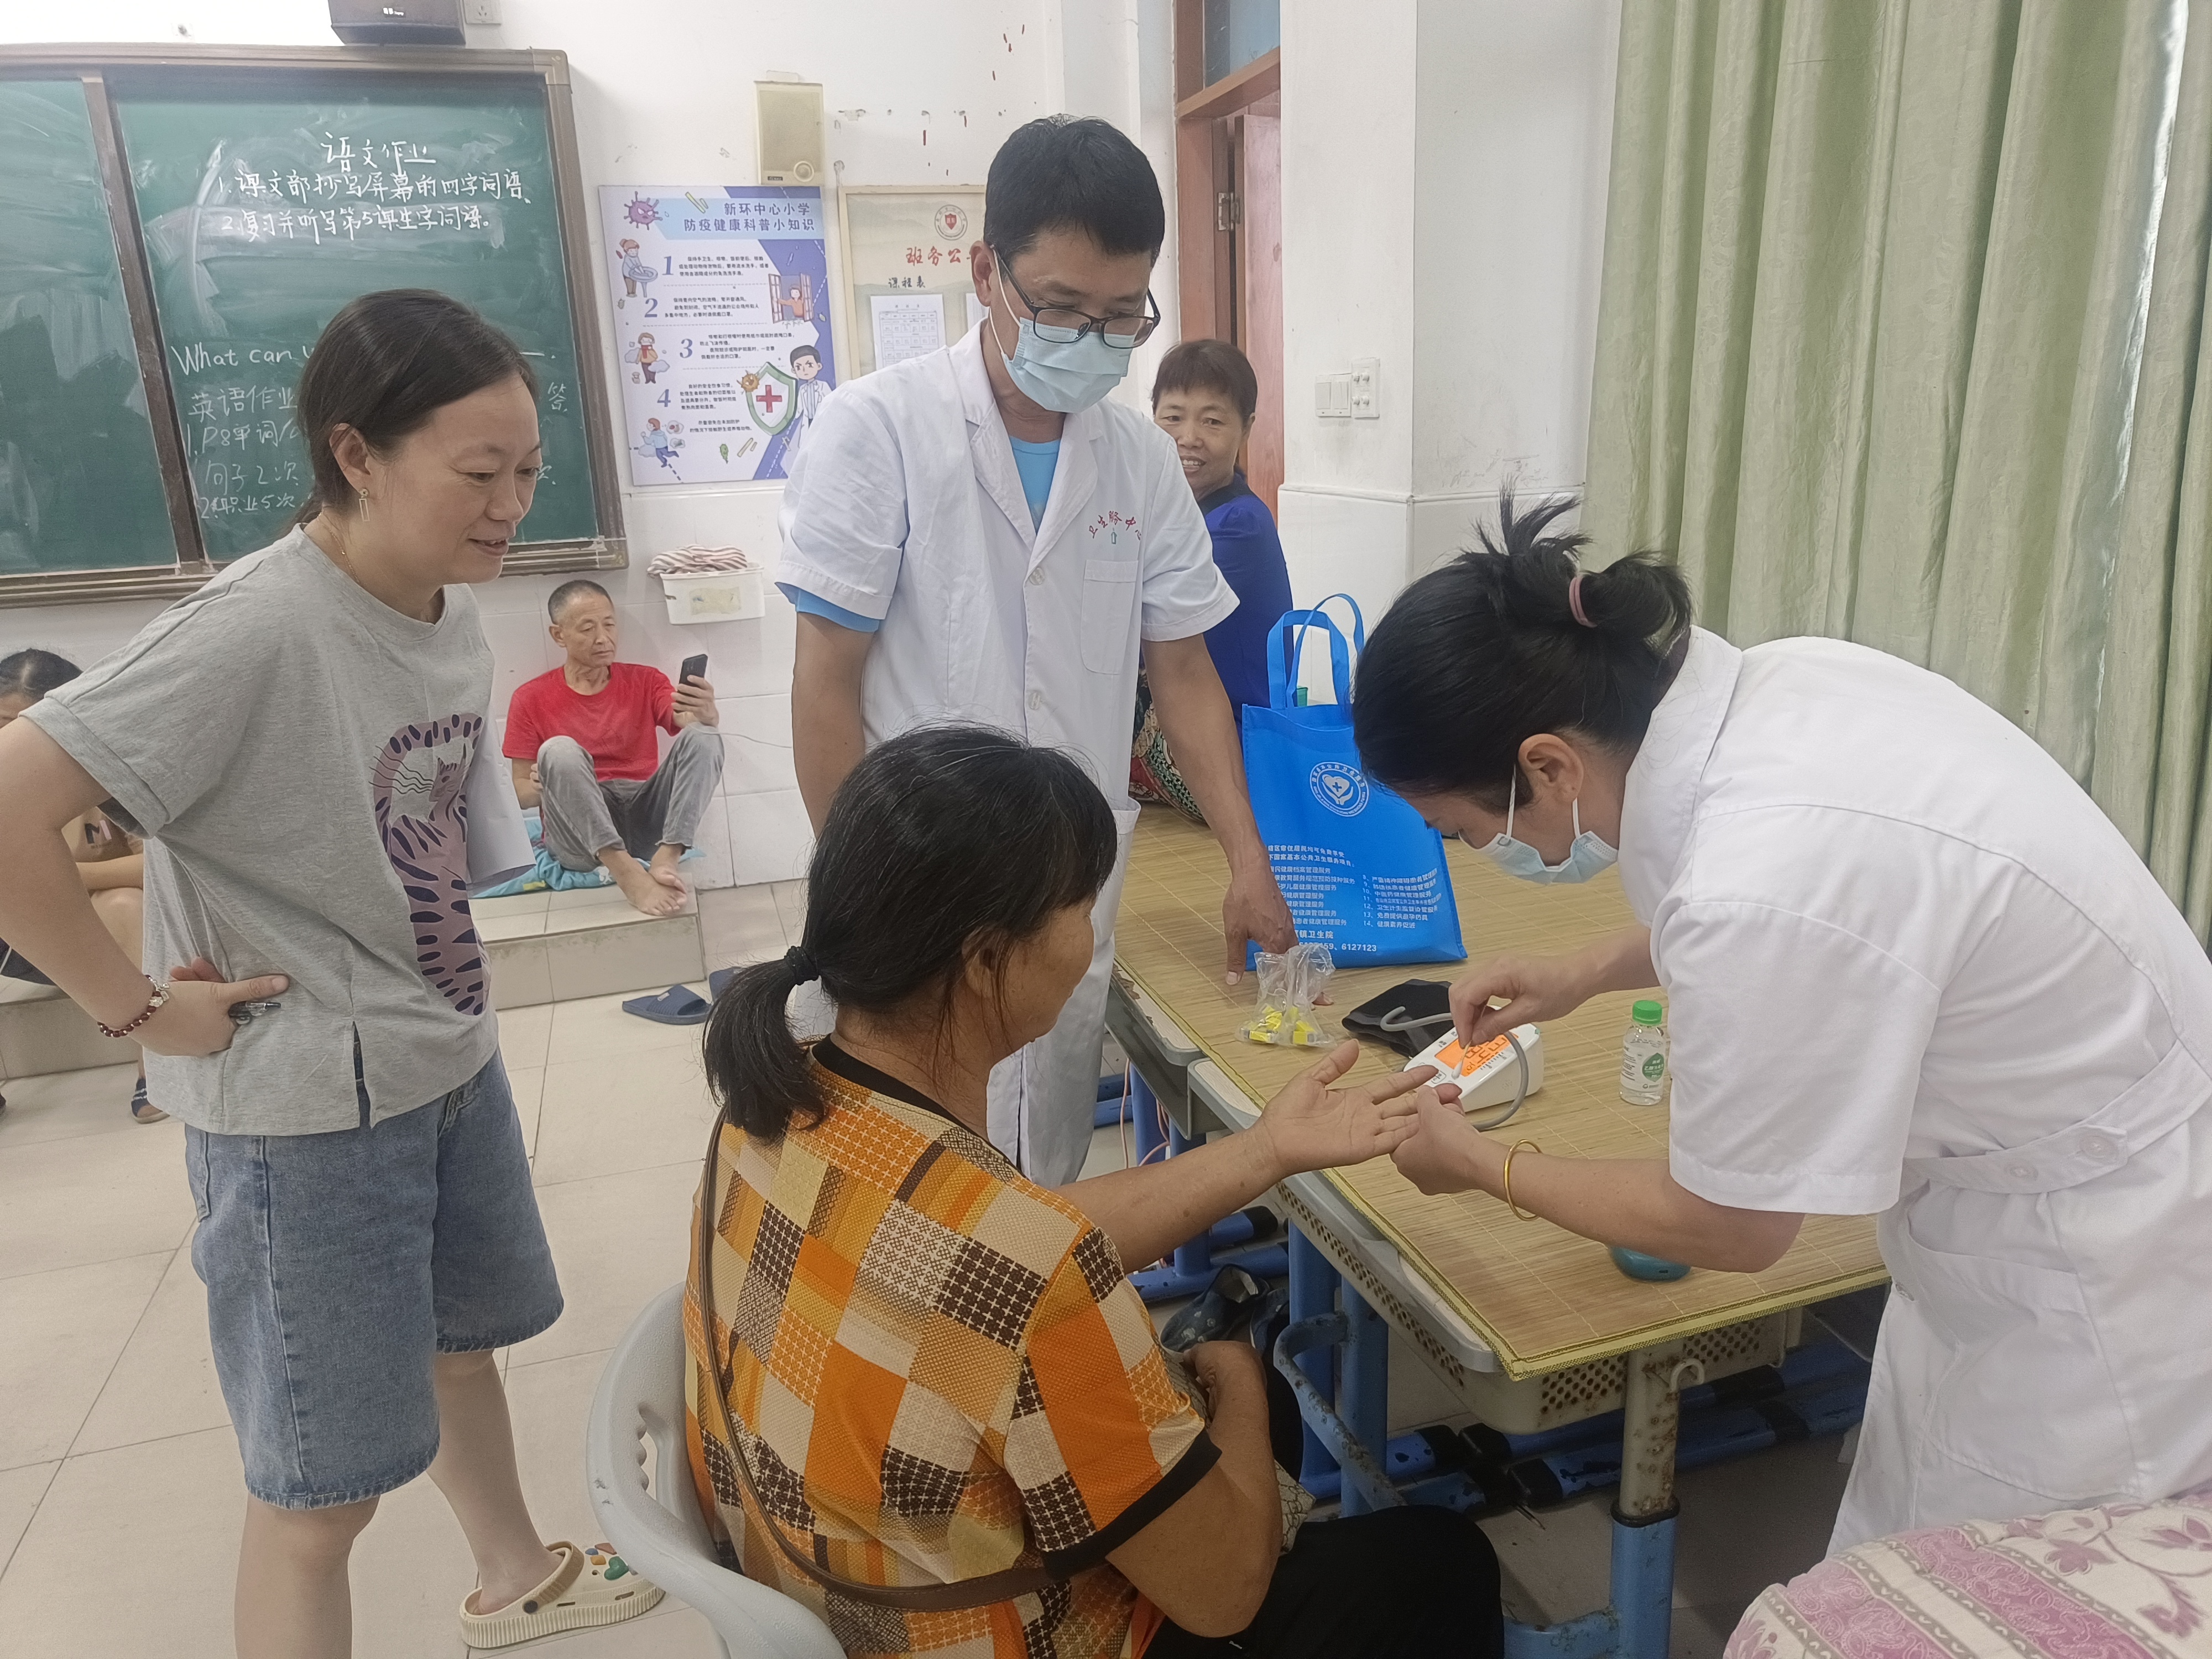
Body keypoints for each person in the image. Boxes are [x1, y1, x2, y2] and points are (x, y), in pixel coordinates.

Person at [1352, 490, 2212, 1553]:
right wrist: (1585, 970)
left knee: (2006, 1583)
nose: (1483, 853)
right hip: (2057, 1165)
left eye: (1466, 830)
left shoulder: (1761, 873)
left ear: (1548, 766)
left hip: (2102, 1268)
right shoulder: (1785, 684)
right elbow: (1817, 917)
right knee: (1916, 1536)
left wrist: (1484, 1167)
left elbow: (1732, 1225)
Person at [0, 289, 661, 1657]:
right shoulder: (250, 627)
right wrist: (136, 1010)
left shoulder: (445, 607)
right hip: (304, 1117)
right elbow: (9, 801)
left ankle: (513, 1574)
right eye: (478, 474)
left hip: (440, 1054)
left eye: (529, 471)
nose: (511, 506)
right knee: (319, 1491)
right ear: (355, 453)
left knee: (464, 1345)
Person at [688, 724, 1504, 1659]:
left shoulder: (775, 1101)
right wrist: (1238, 1378)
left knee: (1245, 1432)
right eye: (1080, 906)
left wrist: (1269, 1150)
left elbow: (998, 1257)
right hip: (988, 1635)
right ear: (987, 961)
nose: (1090, 933)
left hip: (834, 1588)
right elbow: (1225, 1596)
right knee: (1435, 1562)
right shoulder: (1026, 1266)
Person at [779, 114, 1296, 1185]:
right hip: (911, 882)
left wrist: (1249, 861)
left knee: (1036, 1190)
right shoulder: (877, 429)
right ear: (986, 273)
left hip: (1063, 889)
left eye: (1121, 316)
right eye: (1060, 309)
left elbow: (1184, 672)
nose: (1091, 339)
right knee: (907, 1192)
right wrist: (866, 900)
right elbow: (825, 682)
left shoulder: (1140, 464)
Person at [0, 648, 165, 1123]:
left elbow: (158, 868)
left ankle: (156, 1067)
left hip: (98, 935)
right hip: (17, 934)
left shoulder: (112, 772)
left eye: (29, 727)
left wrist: (61, 872)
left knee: (124, 903)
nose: (14, 742)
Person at [1134, 340, 1295, 820]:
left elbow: (1135, 629)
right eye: (1173, 417)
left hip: (1235, 746)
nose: (1188, 438)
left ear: (1247, 427)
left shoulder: (1237, 525)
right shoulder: (1174, 509)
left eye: (1212, 421)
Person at [504, 578, 722, 917]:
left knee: (706, 735)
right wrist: (545, 783)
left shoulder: (645, 680)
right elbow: (519, 794)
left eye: (609, 625)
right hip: (580, 838)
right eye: (587, 628)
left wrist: (705, 713)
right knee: (558, 751)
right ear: (559, 635)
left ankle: (668, 854)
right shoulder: (529, 698)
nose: (603, 638)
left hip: (644, 818)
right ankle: (624, 870)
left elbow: (684, 718)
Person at [780, 341, 829, 473]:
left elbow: (831, 403)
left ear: (819, 366)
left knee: (822, 446)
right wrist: (786, 415)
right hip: (808, 423)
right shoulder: (802, 390)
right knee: (807, 448)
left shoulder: (823, 386)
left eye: (809, 365)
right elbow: (798, 410)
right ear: (794, 371)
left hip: (821, 421)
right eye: (799, 367)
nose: (804, 370)